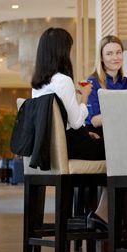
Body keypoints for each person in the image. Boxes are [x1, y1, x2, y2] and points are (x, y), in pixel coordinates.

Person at [83, 35, 127, 236]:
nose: (115, 57)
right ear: (102, 57)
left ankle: (126, 218)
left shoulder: (126, 82)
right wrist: (122, 111)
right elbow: (94, 120)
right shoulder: (93, 82)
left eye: (118, 52)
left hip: (125, 138)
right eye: (110, 53)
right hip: (101, 137)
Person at [30, 27, 103, 160]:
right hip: (71, 146)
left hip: (50, 147)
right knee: (114, 148)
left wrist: (86, 134)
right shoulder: (63, 81)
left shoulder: (37, 86)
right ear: (61, 52)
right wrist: (85, 95)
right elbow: (75, 123)